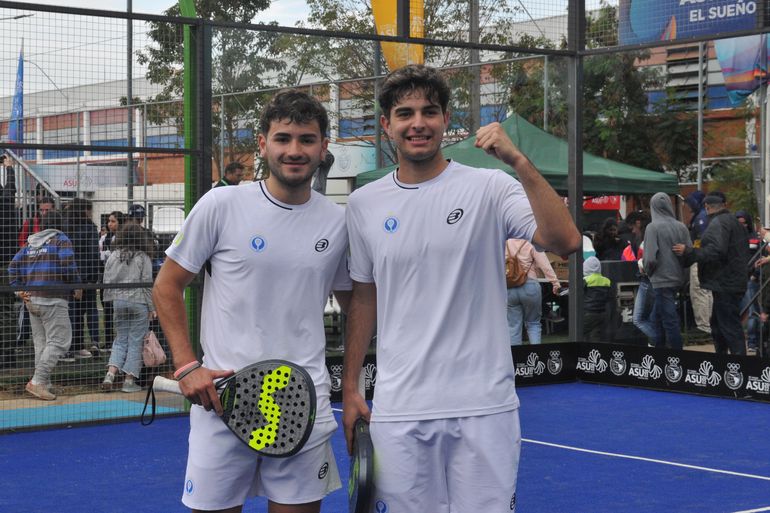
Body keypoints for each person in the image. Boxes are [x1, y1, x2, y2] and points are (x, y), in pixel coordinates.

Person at [343, 64, 580, 511]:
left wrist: (519, 161)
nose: (418, 123)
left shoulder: (490, 186)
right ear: (386, 125)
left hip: (484, 406)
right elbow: (364, 297)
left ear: (445, 119)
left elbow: (565, 241)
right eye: (405, 113)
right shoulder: (362, 204)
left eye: (429, 112)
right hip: (400, 409)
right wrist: (352, 388)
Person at [152, 89, 352, 513]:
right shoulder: (222, 204)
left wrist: (354, 387)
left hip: (304, 403)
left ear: (324, 148)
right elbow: (167, 286)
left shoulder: (339, 223)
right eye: (283, 139)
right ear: (263, 144)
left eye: (307, 139)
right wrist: (187, 366)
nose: (294, 150)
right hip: (222, 402)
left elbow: (359, 308)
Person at [9, 211, 82, 401]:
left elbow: (12, 267)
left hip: (32, 300)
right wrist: (77, 285)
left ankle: (44, 383)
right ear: (60, 224)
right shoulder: (60, 239)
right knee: (59, 340)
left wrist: (19, 290)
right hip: (53, 298)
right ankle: (38, 381)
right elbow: (68, 263)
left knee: (41, 342)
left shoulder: (31, 243)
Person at [674, 193, 749, 355]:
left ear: (707, 207)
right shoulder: (733, 222)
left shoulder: (718, 223)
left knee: (728, 326)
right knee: (718, 325)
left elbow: (715, 251)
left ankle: (740, 365)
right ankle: (722, 361)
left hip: (725, 283)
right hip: (731, 280)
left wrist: (689, 251)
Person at [101, 224, 156, 392]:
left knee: (120, 339)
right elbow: (147, 283)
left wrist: (109, 298)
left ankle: (110, 376)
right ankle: (129, 381)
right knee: (136, 342)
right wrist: (152, 307)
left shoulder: (114, 255)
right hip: (138, 301)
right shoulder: (143, 257)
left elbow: (107, 279)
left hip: (118, 301)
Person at [642, 192, 691, 350]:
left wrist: (648, 272)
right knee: (657, 317)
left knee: (669, 319)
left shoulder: (652, 227)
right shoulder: (681, 227)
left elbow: (649, 258)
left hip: (660, 279)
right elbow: (689, 254)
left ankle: (676, 354)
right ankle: (659, 347)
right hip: (678, 277)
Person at [64, 198, 101, 360]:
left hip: (70, 276)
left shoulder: (66, 227)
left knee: (73, 312)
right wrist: (94, 276)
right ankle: (94, 341)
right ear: (86, 210)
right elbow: (94, 253)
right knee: (91, 309)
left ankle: (73, 345)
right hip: (87, 276)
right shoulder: (90, 228)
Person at [505, 238, 561, 345]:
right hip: (530, 285)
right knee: (533, 323)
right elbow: (544, 264)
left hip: (510, 287)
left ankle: (516, 359)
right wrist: (555, 283)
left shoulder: (505, 243)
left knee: (513, 327)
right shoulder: (532, 242)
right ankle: (536, 356)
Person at [684, 190, 713, 337]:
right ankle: (708, 324)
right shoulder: (703, 216)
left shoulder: (701, 218)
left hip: (699, 258)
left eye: (689, 203)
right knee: (706, 292)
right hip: (705, 258)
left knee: (699, 291)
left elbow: (701, 241)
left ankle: (703, 326)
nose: (687, 206)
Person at [99, 211, 125, 348]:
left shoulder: (124, 237)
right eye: (109, 221)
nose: (110, 224)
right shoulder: (105, 238)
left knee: (120, 311)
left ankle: (120, 340)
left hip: (120, 279)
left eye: (113, 221)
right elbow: (101, 254)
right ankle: (109, 341)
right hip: (107, 278)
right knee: (108, 311)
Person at [582, 256, 616, 342]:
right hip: (601, 313)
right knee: (595, 334)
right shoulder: (606, 281)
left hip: (587, 313)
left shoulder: (585, 280)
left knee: (581, 333)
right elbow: (610, 297)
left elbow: (575, 292)